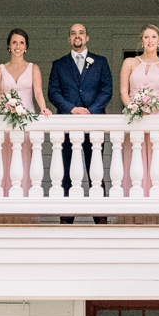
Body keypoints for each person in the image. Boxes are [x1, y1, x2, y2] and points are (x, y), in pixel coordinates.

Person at [46, 21, 111, 216]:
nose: (77, 36)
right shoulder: (59, 64)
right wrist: (72, 109)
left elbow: (106, 90)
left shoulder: (101, 62)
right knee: (65, 170)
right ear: (69, 38)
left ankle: (100, 216)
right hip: (67, 124)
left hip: (94, 123)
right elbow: (53, 92)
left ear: (87, 37)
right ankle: (67, 216)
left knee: (95, 171)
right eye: (73, 33)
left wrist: (90, 111)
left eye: (81, 33)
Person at [120, 23, 159, 193]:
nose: (150, 40)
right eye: (146, 37)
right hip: (135, 116)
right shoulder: (129, 62)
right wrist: (134, 108)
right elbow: (123, 91)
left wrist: (151, 108)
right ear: (141, 41)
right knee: (137, 159)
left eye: (153, 37)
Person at [0, 28, 42, 196]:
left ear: (26, 46)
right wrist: (7, 109)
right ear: (9, 46)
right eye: (14, 42)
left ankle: (23, 213)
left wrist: (44, 108)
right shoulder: (0, 70)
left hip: (25, 122)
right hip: (5, 122)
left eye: (21, 43)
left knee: (24, 164)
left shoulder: (33, 68)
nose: (18, 46)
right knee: (2, 165)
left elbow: (38, 93)